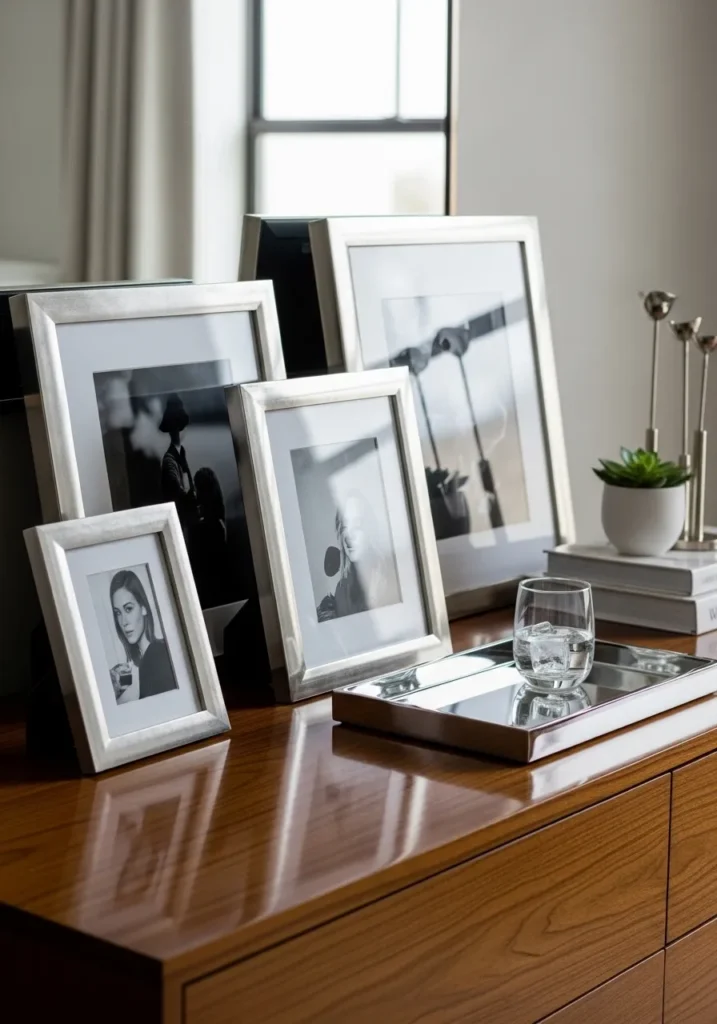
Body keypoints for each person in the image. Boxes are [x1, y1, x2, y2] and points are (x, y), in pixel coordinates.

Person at [317, 491, 401, 620]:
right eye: (344, 527)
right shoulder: (342, 590)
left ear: (370, 529)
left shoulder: (392, 577)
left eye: (357, 525)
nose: (349, 536)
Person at [109, 570, 177, 702]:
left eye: (128, 609)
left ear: (144, 608)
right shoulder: (155, 654)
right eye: (118, 613)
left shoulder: (155, 656)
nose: (124, 621)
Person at [158, 393, 198, 532]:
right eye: (174, 427)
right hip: (179, 521)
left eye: (180, 426)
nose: (177, 431)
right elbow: (176, 492)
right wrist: (192, 498)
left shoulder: (181, 453)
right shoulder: (169, 459)